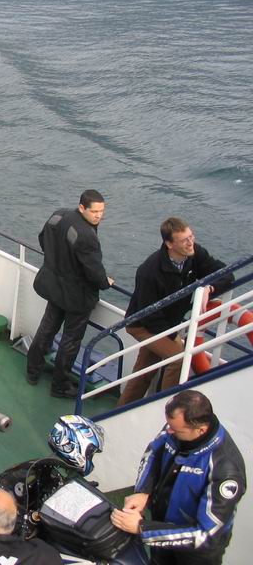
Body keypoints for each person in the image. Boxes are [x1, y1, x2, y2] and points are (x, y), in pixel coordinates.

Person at [111, 390, 246, 564]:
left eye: (175, 429)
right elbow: (153, 453)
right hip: (162, 532)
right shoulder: (175, 428)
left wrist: (143, 528)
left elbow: (207, 535)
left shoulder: (225, 469)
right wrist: (143, 491)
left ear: (200, 430)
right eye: (168, 425)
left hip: (195, 553)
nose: (168, 431)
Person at [116, 217, 234, 406]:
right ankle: (167, 408)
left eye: (191, 236)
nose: (190, 243)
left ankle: (123, 408)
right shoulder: (149, 271)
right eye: (184, 240)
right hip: (142, 324)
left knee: (144, 370)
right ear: (169, 244)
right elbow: (149, 315)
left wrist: (209, 288)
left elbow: (226, 273)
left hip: (167, 322)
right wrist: (173, 336)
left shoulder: (195, 254)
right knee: (178, 359)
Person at [26, 190, 114, 399]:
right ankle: (60, 386)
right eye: (94, 211)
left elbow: (43, 239)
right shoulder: (86, 236)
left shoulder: (58, 216)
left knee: (47, 328)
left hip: (54, 286)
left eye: (102, 211)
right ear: (82, 208)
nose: (99, 216)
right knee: (71, 340)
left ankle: (32, 370)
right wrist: (105, 282)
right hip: (76, 296)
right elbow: (94, 270)